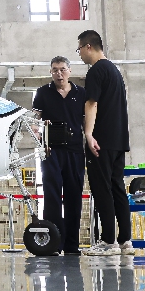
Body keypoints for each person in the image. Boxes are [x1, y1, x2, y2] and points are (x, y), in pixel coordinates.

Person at [77, 30, 132, 256]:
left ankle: (108, 241)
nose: (79, 54)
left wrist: (88, 134)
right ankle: (125, 241)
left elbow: (92, 104)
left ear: (88, 46)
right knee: (118, 188)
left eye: (79, 49)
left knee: (102, 189)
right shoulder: (114, 70)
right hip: (119, 140)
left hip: (102, 140)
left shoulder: (97, 70)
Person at [33, 56, 88, 255]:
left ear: (69, 71)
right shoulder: (42, 93)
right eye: (55, 69)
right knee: (52, 197)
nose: (59, 73)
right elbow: (35, 119)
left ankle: (72, 245)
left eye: (62, 69)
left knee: (74, 196)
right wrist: (36, 132)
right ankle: (54, 243)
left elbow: (86, 122)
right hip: (51, 151)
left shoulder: (81, 93)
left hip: (74, 151)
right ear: (51, 72)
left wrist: (90, 139)